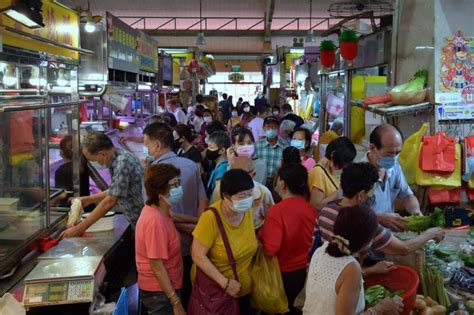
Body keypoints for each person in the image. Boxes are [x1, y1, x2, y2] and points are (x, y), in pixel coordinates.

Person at [315, 162, 445, 260]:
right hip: (350, 283)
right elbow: (403, 248)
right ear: (360, 195)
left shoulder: (325, 211)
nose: (372, 196)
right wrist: (430, 234)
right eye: (372, 191)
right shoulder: (364, 224)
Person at [143, 122, 208, 306]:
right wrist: (197, 229)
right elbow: (202, 200)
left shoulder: (152, 174)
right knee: (192, 291)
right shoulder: (191, 165)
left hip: (167, 249)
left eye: (147, 143)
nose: (145, 148)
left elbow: (155, 212)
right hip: (194, 244)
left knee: (175, 293)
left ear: (157, 145)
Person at [303, 205, 404, 315]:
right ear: (365, 241)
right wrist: (379, 309)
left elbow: (337, 281)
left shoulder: (321, 250)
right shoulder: (351, 267)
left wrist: (371, 270)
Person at [191, 169, 258, 313]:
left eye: (249, 194)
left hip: (245, 291)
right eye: (242, 196)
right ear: (226, 197)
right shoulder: (210, 218)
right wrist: (225, 283)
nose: (247, 199)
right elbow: (197, 255)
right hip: (219, 294)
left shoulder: (247, 212)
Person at [61, 132, 144, 237]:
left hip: (143, 221)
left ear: (102, 154)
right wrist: (90, 199)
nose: (93, 162)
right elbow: (116, 189)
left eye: (92, 159)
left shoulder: (122, 163)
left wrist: (79, 228)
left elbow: (110, 201)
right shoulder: (118, 157)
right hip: (138, 221)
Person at [259, 164, 316, 315]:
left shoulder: (276, 211)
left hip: (283, 276)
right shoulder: (311, 209)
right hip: (306, 273)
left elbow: (271, 248)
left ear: (282, 184)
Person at [136, 164, 185, 315]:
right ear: (159, 191)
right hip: (159, 292)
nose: (178, 188)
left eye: (179, 183)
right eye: (174, 185)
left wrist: (201, 220)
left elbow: (174, 218)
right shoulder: (154, 221)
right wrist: (176, 303)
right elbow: (156, 264)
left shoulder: (159, 208)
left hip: (166, 286)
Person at [362, 124, 422, 232]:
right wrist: (378, 218)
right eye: (389, 153)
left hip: (388, 235)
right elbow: (350, 214)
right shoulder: (356, 172)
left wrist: (417, 214)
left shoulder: (394, 167)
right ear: (372, 148)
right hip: (367, 236)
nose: (394, 158)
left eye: (397, 153)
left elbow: (407, 196)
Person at [211, 156, 274, 229]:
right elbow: (215, 214)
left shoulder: (263, 192)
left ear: (253, 174)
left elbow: (272, 220)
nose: (238, 179)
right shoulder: (220, 189)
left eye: (243, 174)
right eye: (234, 174)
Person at [308, 137, 356, 210]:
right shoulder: (318, 172)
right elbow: (316, 205)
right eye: (343, 161)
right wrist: (339, 192)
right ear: (333, 154)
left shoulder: (331, 171)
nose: (344, 166)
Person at [255, 116, 289, 188]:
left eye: (273, 127)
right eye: (268, 127)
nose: (271, 129)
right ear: (264, 128)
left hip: (278, 184)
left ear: (278, 128)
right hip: (261, 182)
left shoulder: (285, 146)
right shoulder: (257, 146)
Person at [205, 131, 230, 198]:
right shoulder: (218, 166)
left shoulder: (222, 169)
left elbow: (218, 194)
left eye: (211, 147)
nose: (208, 150)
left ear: (222, 150)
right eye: (208, 147)